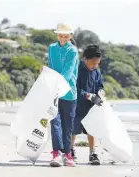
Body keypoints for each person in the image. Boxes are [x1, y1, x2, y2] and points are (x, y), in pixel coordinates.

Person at [47, 23, 79, 167]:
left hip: (69, 93)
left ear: (70, 36)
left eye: (66, 36)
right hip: (54, 92)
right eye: (61, 35)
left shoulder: (73, 51)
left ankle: (67, 154)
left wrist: (57, 83)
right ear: (57, 35)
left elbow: (68, 72)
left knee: (68, 126)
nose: (63, 38)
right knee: (55, 122)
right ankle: (56, 154)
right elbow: (52, 67)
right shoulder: (51, 48)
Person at [71, 44, 105, 165]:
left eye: (97, 63)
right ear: (85, 58)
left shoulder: (96, 71)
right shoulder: (76, 69)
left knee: (92, 129)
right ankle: (71, 149)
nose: (95, 66)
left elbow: (100, 85)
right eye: (93, 63)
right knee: (73, 129)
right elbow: (74, 87)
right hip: (77, 105)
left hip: (91, 107)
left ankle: (92, 153)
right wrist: (88, 95)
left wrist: (101, 92)